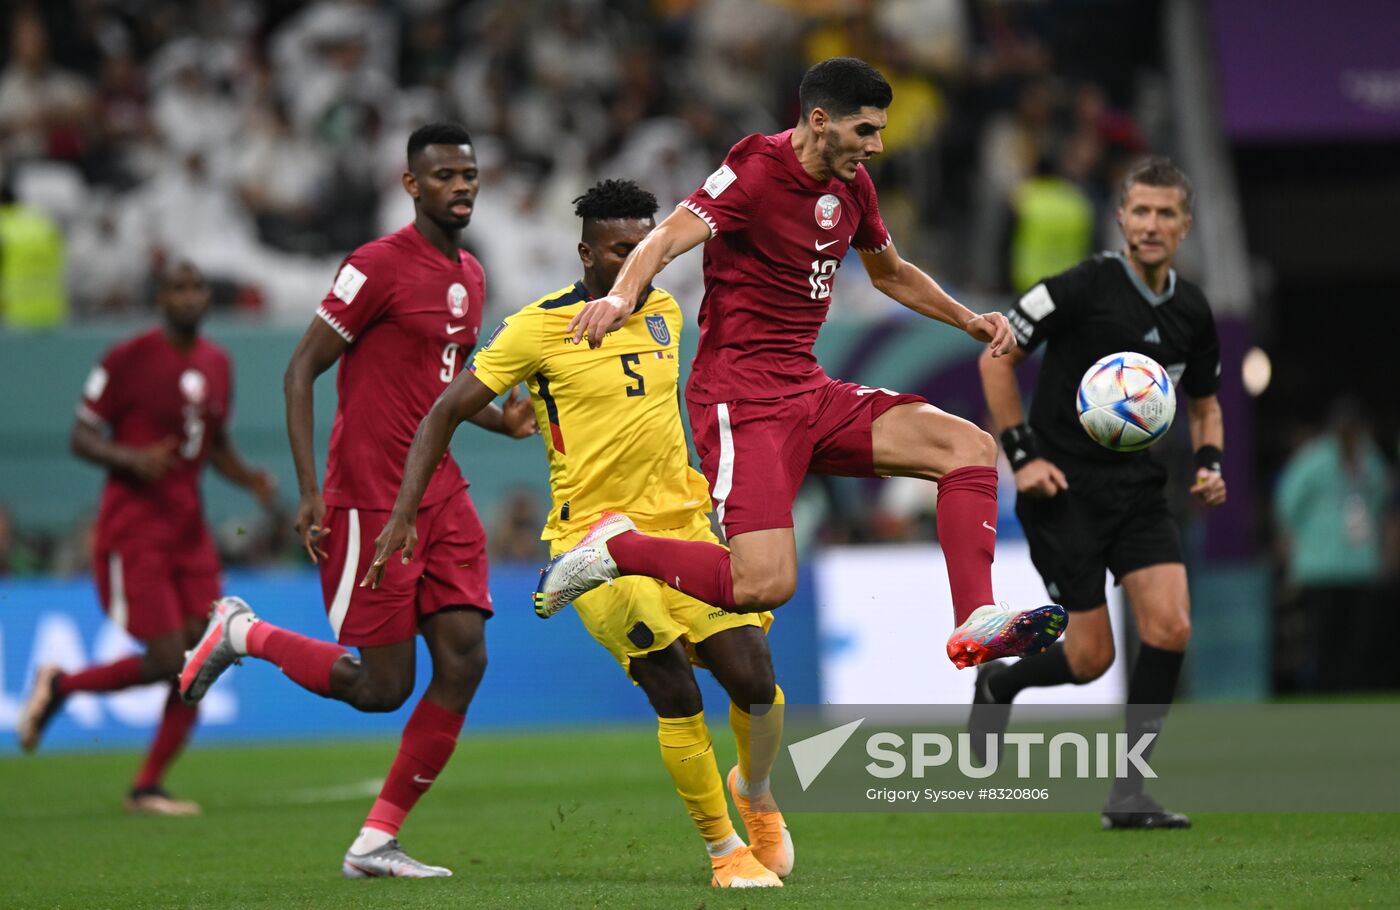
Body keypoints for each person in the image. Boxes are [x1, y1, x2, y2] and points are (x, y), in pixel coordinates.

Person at [539, 57, 1066, 667]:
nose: (877, 146)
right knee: (764, 584)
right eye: (865, 130)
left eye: (880, 131)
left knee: (968, 446)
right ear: (820, 121)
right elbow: (665, 238)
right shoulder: (754, 169)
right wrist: (620, 296)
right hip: (742, 400)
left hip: (808, 391)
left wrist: (965, 318)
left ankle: (975, 619)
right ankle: (616, 550)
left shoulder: (853, 187)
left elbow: (891, 273)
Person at [367, 179, 790, 889]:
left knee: (755, 679)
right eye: (623, 249)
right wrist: (403, 512)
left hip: (684, 525)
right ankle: (727, 853)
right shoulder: (535, 328)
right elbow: (442, 411)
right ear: (587, 253)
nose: (639, 260)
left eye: (647, 246)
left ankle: (756, 792)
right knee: (674, 687)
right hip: (595, 544)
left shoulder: (665, 310)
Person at [178, 122, 536, 878]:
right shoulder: (374, 267)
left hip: (441, 492)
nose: (460, 187)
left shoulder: (472, 274)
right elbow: (300, 370)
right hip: (369, 499)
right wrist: (312, 489)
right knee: (382, 687)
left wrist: (500, 421)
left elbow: (444, 382)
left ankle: (376, 840)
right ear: (411, 185)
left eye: (468, 175)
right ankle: (241, 633)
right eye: (443, 176)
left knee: (465, 658)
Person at [970, 156, 1226, 829]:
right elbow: (997, 355)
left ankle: (1129, 793)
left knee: (1171, 627)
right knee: (1091, 659)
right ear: (1121, 219)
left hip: (1139, 491)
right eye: (1140, 211)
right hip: (1062, 490)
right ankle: (1001, 680)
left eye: (1165, 213)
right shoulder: (1081, 287)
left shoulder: (1192, 310)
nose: (1151, 224)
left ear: (1185, 225)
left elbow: (1205, 404)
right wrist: (1022, 456)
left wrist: (1209, 462)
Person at [17, 261, 277, 815]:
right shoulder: (127, 357)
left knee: (206, 654)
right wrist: (129, 457)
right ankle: (61, 686)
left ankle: (147, 787)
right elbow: (81, 436)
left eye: (197, 287)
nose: (189, 297)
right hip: (135, 528)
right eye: (178, 288)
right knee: (165, 657)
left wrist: (249, 477)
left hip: (189, 530)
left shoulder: (218, 362)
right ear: (160, 299)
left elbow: (214, 442)